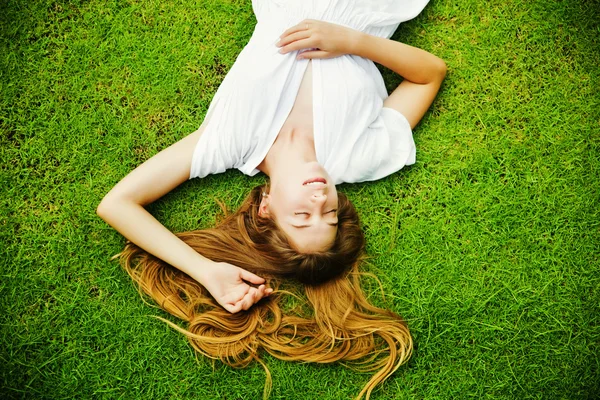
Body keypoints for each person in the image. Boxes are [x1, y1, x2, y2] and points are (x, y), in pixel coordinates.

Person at [97, 1, 446, 398]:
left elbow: (117, 204)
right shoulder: (358, 157)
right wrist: (352, 41)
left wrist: (206, 271)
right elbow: (430, 75)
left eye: (302, 215)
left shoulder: (229, 143)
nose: (319, 197)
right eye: (329, 213)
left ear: (266, 208)